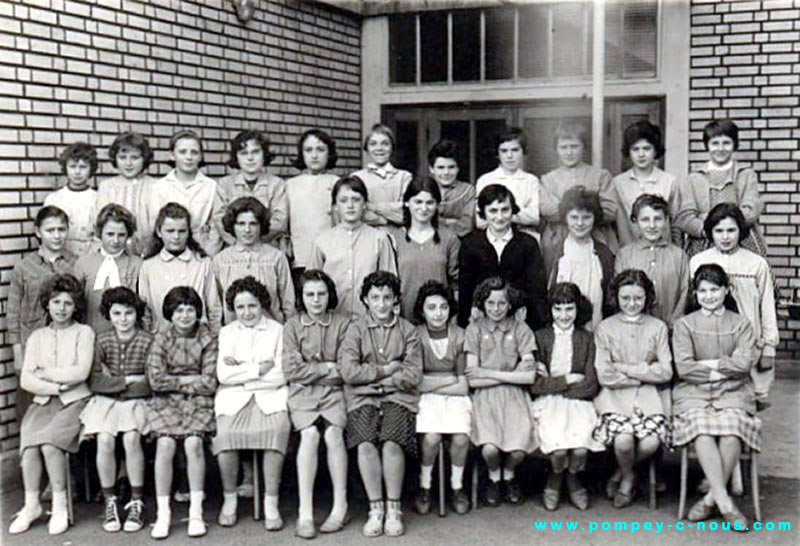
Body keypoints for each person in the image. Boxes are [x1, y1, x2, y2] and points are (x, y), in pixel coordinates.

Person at [672, 265, 759, 532]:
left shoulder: (741, 323)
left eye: (714, 290)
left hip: (734, 392)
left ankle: (711, 498)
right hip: (694, 393)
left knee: (733, 430)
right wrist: (724, 367)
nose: (709, 296)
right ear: (695, 294)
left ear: (726, 290)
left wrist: (708, 366)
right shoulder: (685, 324)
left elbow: (744, 363)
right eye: (703, 291)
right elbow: (685, 367)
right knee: (702, 430)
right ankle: (726, 503)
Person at [9, 274, 94, 536]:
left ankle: (60, 506)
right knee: (30, 444)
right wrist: (55, 386)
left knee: (49, 444)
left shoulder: (84, 332)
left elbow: (80, 372)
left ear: (75, 306)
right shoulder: (37, 337)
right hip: (45, 400)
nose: (61, 309)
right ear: (47, 304)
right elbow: (27, 377)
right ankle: (32, 504)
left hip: (75, 401)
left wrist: (46, 372)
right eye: (56, 302)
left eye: (67, 303)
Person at [340, 272, 422, 537]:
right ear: (365, 300)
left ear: (396, 299)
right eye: (375, 298)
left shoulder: (408, 331)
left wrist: (381, 383)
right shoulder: (356, 329)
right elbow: (349, 372)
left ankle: (393, 507)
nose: (381, 304)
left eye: (387, 297)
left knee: (391, 441)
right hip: (362, 397)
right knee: (365, 441)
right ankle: (375, 509)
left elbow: (412, 374)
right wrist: (386, 369)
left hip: (397, 396)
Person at [213, 277, 290, 531]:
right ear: (233, 309)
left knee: (275, 431)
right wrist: (259, 369)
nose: (247, 313)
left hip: (271, 397)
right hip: (233, 399)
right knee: (225, 436)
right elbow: (223, 375)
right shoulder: (227, 332)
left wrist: (243, 374)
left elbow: (280, 374)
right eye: (241, 307)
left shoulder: (277, 330)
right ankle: (230, 498)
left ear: (262, 305)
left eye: (252, 306)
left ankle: (271, 501)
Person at [592, 269, 673, 508]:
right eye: (625, 298)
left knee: (650, 443)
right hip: (615, 397)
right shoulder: (605, 328)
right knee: (623, 441)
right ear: (616, 297)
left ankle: (620, 472)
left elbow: (666, 371)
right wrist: (645, 373)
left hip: (650, 398)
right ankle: (628, 478)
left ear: (647, 297)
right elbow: (605, 374)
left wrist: (625, 368)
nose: (632, 303)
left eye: (638, 298)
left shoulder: (657, 327)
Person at [689, 203, 778, 408]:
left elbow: (767, 306)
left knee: (745, 399)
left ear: (741, 231)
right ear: (710, 232)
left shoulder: (756, 263)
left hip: (748, 341)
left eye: (731, 230)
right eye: (718, 231)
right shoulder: (698, 261)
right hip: (710, 341)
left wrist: (769, 348)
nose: (725, 237)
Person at [283, 270, 351, 538]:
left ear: (330, 295)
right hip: (303, 393)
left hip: (336, 392)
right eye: (309, 294)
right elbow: (291, 370)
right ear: (302, 297)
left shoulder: (343, 324)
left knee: (334, 435)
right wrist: (325, 367)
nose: (316, 300)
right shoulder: (292, 326)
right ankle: (306, 512)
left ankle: (339, 506)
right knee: (309, 436)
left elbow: (346, 368)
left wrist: (313, 368)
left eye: (321, 294)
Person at [146, 286, 218, 539]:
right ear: (170, 313)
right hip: (166, 402)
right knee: (164, 445)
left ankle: (196, 512)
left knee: (193, 443)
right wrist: (189, 380)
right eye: (179, 310)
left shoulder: (208, 338)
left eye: (190, 310)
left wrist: (176, 380)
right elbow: (156, 380)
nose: (185, 316)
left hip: (199, 401)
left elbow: (210, 382)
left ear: (197, 312)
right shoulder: (161, 339)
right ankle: (163, 513)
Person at [80, 287, 153, 533]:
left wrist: (119, 384)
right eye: (117, 313)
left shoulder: (147, 340)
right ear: (108, 315)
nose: (123, 319)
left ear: (137, 314)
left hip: (136, 403)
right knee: (105, 439)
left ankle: (136, 499)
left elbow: (150, 383)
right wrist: (129, 380)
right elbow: (95, 381)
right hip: (105, 403)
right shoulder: (102, 340)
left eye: (129, 313)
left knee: (132, 438)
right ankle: (110, 499)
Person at [465, 277, 537, 507]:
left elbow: (529, 376)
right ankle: (494, 476)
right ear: (482, 304)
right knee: (489, 448)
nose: (496, 309)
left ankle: (509, 474)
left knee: (518, 449)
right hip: (484, 398)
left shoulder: (521, 329)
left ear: (510, 305)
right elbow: (473, 380)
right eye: (490, 304)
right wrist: (510, 373)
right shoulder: (474, 330)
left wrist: (489, 373)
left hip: (515, 397)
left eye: (502, 304)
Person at [530, 283, 602, 511]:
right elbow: (534, 385)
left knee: (580, 448)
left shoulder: (587, 338)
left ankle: (572, 478)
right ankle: (555, 476)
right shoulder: (540, 338)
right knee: (558, 449)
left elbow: (591, 384)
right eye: (558, 309)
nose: (563, 315)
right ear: (549, 310)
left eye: (569, 309)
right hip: (548, 404)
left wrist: (552, 384)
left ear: (578, 309)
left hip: (579, 403)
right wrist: (568, 379)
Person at [8, 206, 76, 423]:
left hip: (65, 345)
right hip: (33, 346)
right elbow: (13, 313)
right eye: (50, 230)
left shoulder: (76, 264)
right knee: (30, 404)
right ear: (38, 232)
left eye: (61, 229)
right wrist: (18, 353)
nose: (57, 235)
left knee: (62, 402)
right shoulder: (24, 267)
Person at [412, 281, 471, 516]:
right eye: (432, 307)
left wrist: (431, 383)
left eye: (443, 307)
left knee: (460, 437)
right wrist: (449, 382)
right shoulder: (415, 335)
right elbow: (416, 382)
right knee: (432, 437)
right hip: (426, 399)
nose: (438, 313)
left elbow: (464, 385)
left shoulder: (460, 335)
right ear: (422, 310)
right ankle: (424, 485)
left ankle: (457, 487)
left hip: (453, 399)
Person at [458, 184, 548, 331]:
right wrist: (466, 322)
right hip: (482, 322)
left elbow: (536, 289)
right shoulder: (471, 244)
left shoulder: (527, 243)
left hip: (519, 322)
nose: (499, 217)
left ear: (513, 210)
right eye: (493, 211)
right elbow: (465, 288)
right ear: (483, 213)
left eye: (505, 210)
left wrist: (534, 323)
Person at [308, 176, 397, 318]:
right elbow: (311, 285)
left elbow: (390, 283)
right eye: (343, 201)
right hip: (332, 321)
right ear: (335, 206)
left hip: (370, 320)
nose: (350, 205)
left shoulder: (379, 239)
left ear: (365, 204)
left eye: (356, 199)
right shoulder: (322, 241)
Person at [682, 119, 769, 259]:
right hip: (703, 241)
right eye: (715, 143)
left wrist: (724, 226)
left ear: (734, 144)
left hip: (741, 240)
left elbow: (751, 211)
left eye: (726, 143)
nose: (720, 148)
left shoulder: (746, 175)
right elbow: (685, 217)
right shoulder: (693, 178)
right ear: (707, 145)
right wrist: (709, 230)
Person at [539, 120, 617, 265]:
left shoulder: (600, 176)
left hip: (596, 235)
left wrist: (565, 207)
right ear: (556, 149)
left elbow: (610, 210)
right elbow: (547, 210)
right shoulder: (548, 179)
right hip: (558, 240)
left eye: (574, 146)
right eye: (563, 147)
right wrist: (590, 206)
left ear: (584, 147)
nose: (569, 152)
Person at [138, 202, 222, 334]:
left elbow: (214, 307)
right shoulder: (148, 266)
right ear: (159, 232)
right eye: (170, 231)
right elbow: (145, 310)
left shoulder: (202, 263)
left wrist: (214, 336)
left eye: (181, 231)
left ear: (189, 232)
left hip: (198, 337)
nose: (176, 237)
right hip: (161, 337)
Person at [612, 120, 694, 246]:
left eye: (646, 148)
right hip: (628, 255)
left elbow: (676, 225)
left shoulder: (669, 181)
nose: (641, 154)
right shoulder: (618, 183)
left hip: (662, 252)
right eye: (635, 149)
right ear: (628, 152)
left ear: (655, 151)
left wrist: (678, 252)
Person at [213, 197, 294, 324]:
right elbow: (216, 306)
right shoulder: (221, 260)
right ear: (232, 226)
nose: (247, 230)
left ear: (261, 225)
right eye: (241, 224)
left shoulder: (276, 258)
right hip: (234, 335)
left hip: (271, 333)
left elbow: (288, 303)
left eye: (253, 223)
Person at [615, 193, 690, 328]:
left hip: (672, 329)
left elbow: (685, 291)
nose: (652, 225)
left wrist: (675, 322)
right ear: (635, 221)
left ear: (667, 219)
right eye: (645, 220)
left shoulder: (679, 255)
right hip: (636, 328)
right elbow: (620, 292)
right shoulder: (625, 255)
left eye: (658, 219)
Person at [147, 130, 225, 256]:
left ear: (200, 156)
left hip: (202, 250)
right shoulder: (160, 187)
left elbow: (216, 225)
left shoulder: (211, 186)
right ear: (172, 155)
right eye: (182, 152)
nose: (188, 157)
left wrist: (208, 252)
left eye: (194, 152)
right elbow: (155, 224)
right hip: (169, 250)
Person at [546, 186, 614, 330]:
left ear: (595, 218)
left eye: (586, 217)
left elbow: (609, 297)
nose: (580, 223)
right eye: (574, 217)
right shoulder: (554, 251)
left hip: (594, 327)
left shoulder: (603, 254)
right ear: (565, 218)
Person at [394, 176, 459, 323]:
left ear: (437, 205)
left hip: (439, 319)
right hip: (404, 319)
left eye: (430, 202)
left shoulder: (449, 238)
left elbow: (455, 284)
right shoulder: (394, 238)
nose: (424, 208)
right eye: (418, 202)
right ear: (406, 203)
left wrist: (453, 319)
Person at [74, 204, 143, 332]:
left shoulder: (137, 264)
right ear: (100, 233)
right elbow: (76, 303)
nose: (115, 240)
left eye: (121, 235)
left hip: (127, 335)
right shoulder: (84, 263)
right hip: (91, 332)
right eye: (110, 234)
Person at [219, 129, 288, 249]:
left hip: (268, 250)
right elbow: (219, 220)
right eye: (244, 153)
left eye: (255, 152)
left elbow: (279, 222)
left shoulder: (277, 184)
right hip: (235, 251)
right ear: (236, 157)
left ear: (264, 154)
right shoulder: (224, 185)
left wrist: (255, 243)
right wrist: (239, 244)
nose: (250, 158)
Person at [286, 129, 339, 279]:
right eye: (308, 150)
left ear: (329, 153)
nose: (314, 155)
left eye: (320, 150)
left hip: (331, 256)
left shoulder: (336, 183)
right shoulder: (290, 186)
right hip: (301, 258)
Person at [95, 131, 156, 254]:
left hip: (148, 251)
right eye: (123, 158)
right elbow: (100, 222)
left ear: (144, 159)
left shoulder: (155, 186)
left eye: (135, 158)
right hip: (114, 251)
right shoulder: (107, 187)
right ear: (115, 159)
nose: (128, 163)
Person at [475, 126, 540, 240]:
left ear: (523, 151)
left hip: (526, 238)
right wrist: (519, 214)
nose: (509, 156)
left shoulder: (531, 181)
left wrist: (498, 215)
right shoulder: (485, 180)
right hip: (494, 239)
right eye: (504, 151)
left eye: (515, 150)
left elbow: (535, 217)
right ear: (497, 153)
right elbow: (480, 221)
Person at [350, 123, 412, 231]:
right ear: (367, 148)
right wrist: (386, 219)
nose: (379, 148)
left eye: (385, 144)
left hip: (397, 238)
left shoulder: (404, 177)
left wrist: (373, 207)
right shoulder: (357, 177)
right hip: (366, 237)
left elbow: (406, 213)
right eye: (373, 144)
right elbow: (357, 213)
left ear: (392, 147)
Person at [44, 141, 99, 255]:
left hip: (92, 254)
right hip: (62, 253)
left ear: (91, 169)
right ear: (65, 168)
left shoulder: (98, 197)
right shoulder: (54, 199)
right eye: (73, 166)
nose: (77, 172)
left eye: (83, 167)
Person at [426, 139, 476, 237]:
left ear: (458, 168)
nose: (446, 173)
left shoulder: (467, 191)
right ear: (431, 169)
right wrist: (449, 221)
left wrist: (434, 220)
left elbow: (466, 226)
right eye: (441, 168)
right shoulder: (423, 189)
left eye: (451, 167)